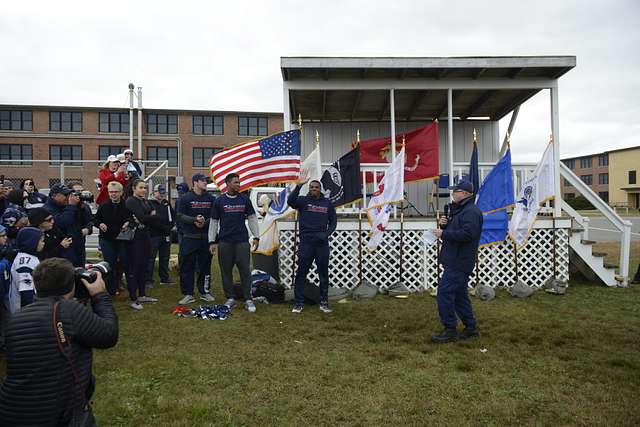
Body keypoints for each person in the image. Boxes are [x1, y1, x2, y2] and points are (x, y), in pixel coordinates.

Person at [0, 257, 118, 425]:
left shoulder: (17, 317)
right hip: (57, 413)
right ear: (72, 285)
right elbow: (109, 335)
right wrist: (100, 296)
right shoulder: (67, 310)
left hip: (12, 410)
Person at [431, 180, 482, 343]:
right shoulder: (461, 211)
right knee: (459, 295)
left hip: (460, 261)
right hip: (455, 258)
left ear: (466, 194)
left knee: (444, 293)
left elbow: (468, 235)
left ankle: (450, 329)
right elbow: (458, 231)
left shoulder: (471, 212)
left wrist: (443, 234)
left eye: (456, 191)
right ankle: (470, 327)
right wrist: (445, 226)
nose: (453, 193)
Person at [209, 173, 260, 313]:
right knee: (226, 271)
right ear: (228, 184)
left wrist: (256, 236)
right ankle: (230, 298)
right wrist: (212, 241)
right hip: (225, 242)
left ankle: (248, 299)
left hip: (242, 242)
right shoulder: (219, 201)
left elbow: (252, 218)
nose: (239, 185)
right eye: (236, 182)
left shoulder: (245, 200)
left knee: (245, 270)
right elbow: (213, 222)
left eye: (239, 182)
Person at [287, 173, 337, 314]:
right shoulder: (302, 201)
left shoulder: (327, 203)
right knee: (301, 273)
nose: (314, 189)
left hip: (321, 244)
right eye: (311, 187)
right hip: (306, 243)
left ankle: (324, 302)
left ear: (320, 189)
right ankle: (298, 303)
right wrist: (299, 185)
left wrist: (326, 234)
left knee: (323, 274)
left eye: (316, 187)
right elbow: (290, 201)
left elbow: (333, 222)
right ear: (309, 188)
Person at [177, 174, 215, 304]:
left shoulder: (211, 198)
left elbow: (215, 217)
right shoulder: (185, 198)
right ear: (195, 182)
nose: (205, 183)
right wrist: (194, 220)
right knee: (187, 266)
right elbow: (180, 215)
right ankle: (188, 293)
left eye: (206, 181)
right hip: (189, 238)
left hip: (205, 239)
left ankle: (205, 291)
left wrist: (205, 222)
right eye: (203, 181)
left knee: (205, 267)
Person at [125, 179, 161, 310]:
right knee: (134, 267)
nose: (144, 190)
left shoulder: (145, 201)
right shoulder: (131, 201)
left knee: (144, 265)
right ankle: (133, 298)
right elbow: (143, 217)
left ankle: (142, 294)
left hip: (145, 235)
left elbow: (156, 216)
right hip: (135, 238)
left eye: (145, 188)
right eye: (141, 188)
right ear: (134, 188)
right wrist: (148, 217)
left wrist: (147, 217)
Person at [94, 181, 131, 295]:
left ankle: (120, 283)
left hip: (122, 239)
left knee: (124, 262)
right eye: (111, 192)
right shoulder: (104, 205)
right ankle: (111, 289)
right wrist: (100, 224)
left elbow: (132, 218)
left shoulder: (127, 205)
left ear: (121, 192)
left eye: (115, 192)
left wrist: (128, 223)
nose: (113, 194)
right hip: (107, 239)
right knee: (110, 264)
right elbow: (95, 219)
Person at [44, 184, 84, 266]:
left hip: (75, 248)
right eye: (65, 195)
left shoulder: (63, 206)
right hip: (60, 253)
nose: (68, 197)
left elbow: (83, 220)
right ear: (54, 196)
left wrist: (79, 206)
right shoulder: (47, 209)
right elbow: (63, 222)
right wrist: (71, 206)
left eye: (69, 194)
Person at [8, 227, 45, 313]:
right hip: (24, 313)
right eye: (41, 241)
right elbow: (27, 294)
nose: (43, 243)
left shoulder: (29, 256)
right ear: (32, 242)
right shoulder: (24, 263)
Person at [145, 184, 175, 288]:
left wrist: (170, 227)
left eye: (163, 193)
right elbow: (151, 220)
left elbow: (173, 216)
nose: (162, 195)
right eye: (160, 192)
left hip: (166, 234)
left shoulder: (166, 203)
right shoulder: (148, 203)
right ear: (154, 192)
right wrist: (164, 227)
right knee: (150, 257)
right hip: (154, 235)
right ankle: (148, 280)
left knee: (165, 257)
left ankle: (164, 278)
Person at [69, 182, 93, 266]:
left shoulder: (85, 207)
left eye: (81, 191)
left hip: (80, 242)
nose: (79, 194)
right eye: (77, 192)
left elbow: (90, 221)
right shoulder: (65, 206)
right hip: (67, 243)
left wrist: (87, 229)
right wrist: (72, 205)